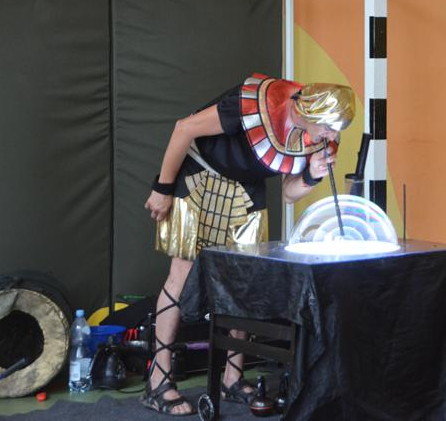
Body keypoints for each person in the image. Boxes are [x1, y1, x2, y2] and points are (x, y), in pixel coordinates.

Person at [141, 73, 355, 416]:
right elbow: (184, 129)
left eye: (336, 130)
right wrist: (163, 188)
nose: (332, 136)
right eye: (329, 127)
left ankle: (232, 377)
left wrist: (311, 175)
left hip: (247, 190)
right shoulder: (256, 104)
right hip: (201, 174)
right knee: (181, 276)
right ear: (313, 112)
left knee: (242, 283)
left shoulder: (319, 140)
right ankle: (159, 379)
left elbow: (289, 194)